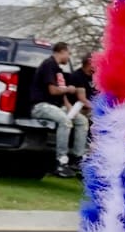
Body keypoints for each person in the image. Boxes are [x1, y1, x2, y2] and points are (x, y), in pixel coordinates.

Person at [30, 41, 89, 177]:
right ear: (62, 51)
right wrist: (68, 89)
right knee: (65, 121)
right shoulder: (49, 65)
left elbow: (61, 94)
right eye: (69, 53)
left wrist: (69, 108)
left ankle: (77, 159)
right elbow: (53, 90)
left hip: (55, 107)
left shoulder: (58, 70)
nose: (69, 56)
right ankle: (61, 161)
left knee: (82, 121)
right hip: (40, 106)